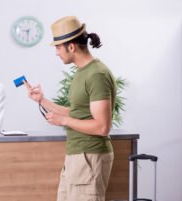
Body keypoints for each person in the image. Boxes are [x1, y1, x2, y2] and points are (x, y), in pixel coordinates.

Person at [24, 16, 117, 201]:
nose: (56, 53)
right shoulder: (82, 72)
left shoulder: (96, 74)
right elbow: (77, 114)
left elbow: (102, 127)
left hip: (89, 158)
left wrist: (64, 121)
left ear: (71, 47)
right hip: (77, 158)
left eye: (58, 47)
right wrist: (42, 100)